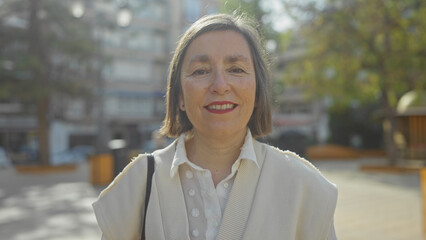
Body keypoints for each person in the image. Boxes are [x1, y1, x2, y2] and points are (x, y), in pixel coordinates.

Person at [93, 13, 338, 240]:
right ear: (179, 96)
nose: (220, 85)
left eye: (236, 69)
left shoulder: (303, 187)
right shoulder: (137, 185)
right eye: (200, 71)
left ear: (258, 91)